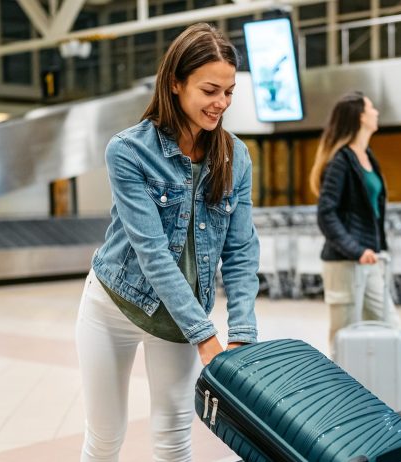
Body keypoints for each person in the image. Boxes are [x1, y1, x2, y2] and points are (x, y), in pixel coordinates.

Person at [75, 23, 260, 462]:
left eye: (229, 92)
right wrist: (205, 335)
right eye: (210, 89)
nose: (222, 104)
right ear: (175, 83)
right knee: (104, 438)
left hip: (180, 316)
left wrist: (242, 334)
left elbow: (241, 251)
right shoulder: (128, 151)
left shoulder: (237, 156)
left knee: (174, 439)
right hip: (114, 306)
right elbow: (152, 252)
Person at [309, 91, 401, 352]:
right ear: (360, 116)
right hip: (345, 263)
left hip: (369, 260)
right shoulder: (341, 161)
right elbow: (326, 214)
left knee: (393, 329)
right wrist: (356, 250)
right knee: (344, 338)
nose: (376, 112)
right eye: (372, 108)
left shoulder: (367, 157)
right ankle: (337, 392)